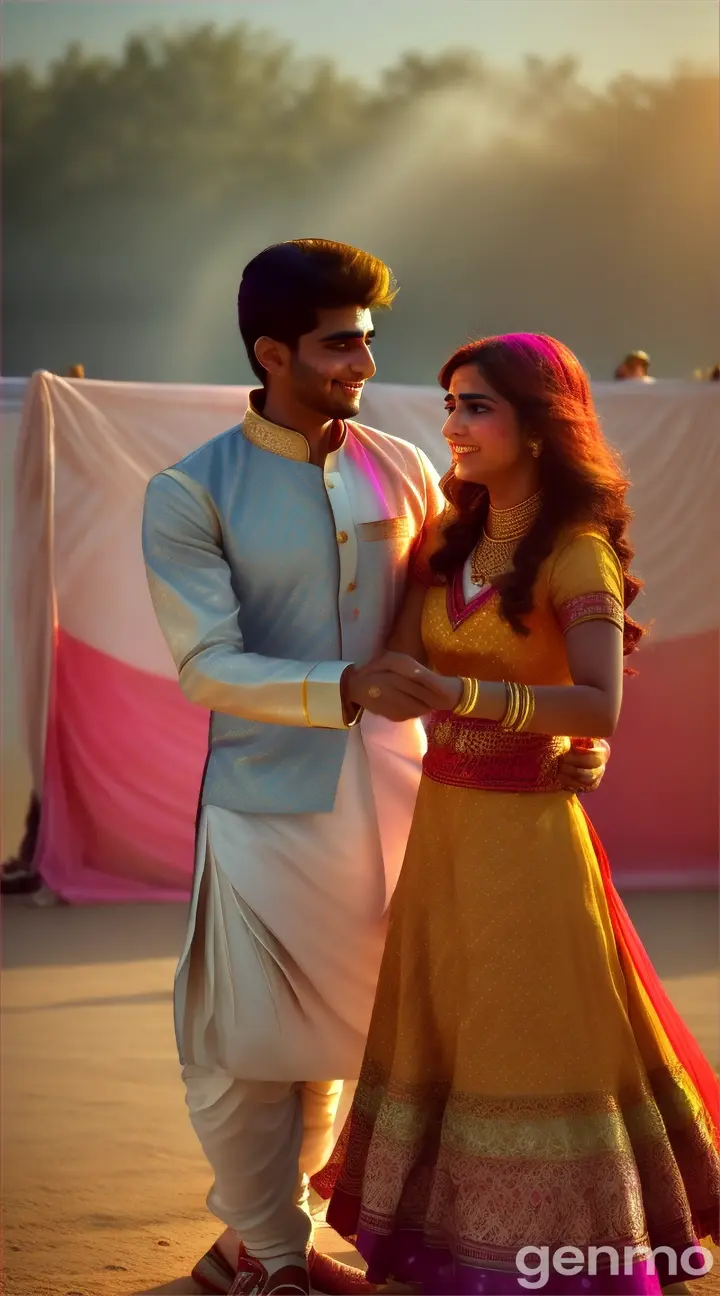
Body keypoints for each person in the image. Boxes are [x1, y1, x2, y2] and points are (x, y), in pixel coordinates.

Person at [142, 248, 612, 1296]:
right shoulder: (189, 491)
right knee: (240, 1048)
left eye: (366, 335)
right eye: (340, 340)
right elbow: (205, 665)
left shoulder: (402, 466)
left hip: (415, 795)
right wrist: (348, 686)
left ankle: (276, 1238)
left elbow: (489, 604)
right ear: (272, 354)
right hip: (265, 800)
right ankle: (265, 1253)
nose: (364, 357)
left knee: (361, 1044)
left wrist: (576, 719)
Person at [312, 334, 720, 1296]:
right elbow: (404, 668)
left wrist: (474, 703)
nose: (453, 425)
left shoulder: (576, 552)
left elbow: (600, 702)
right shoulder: (451, 541)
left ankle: (550, 1261)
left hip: (529, 844)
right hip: (445, 829)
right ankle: (450, 1250)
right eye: (451, 404)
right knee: (450, 1033)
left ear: (539, 427)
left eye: (478, 407)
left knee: (524, 1041)